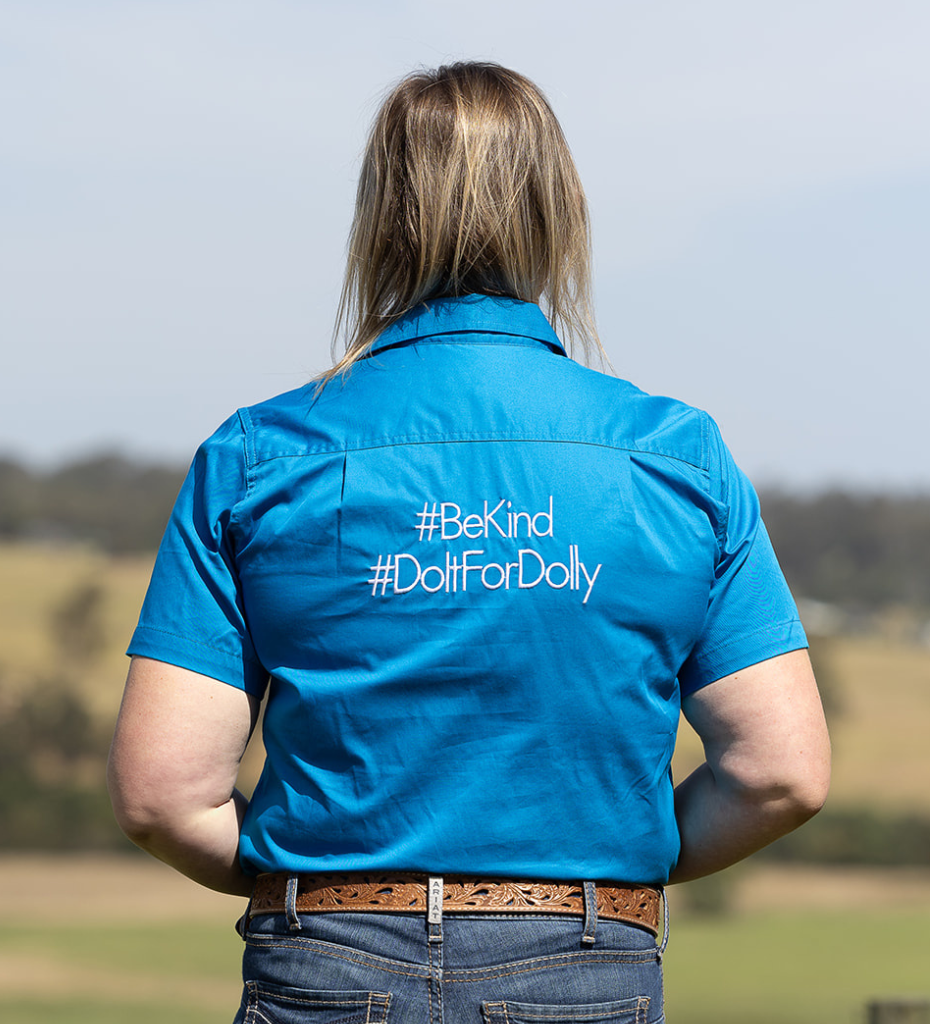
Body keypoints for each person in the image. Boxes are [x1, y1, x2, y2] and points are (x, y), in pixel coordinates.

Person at [108, 61, 830, 1024]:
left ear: (383, 217)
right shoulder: (675, 456)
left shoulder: (258, 455)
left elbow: (162, 796)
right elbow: (781, 772)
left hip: (323, 966)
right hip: (587, 964)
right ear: (557, 210)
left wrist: (332, 890)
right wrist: (614, 874)